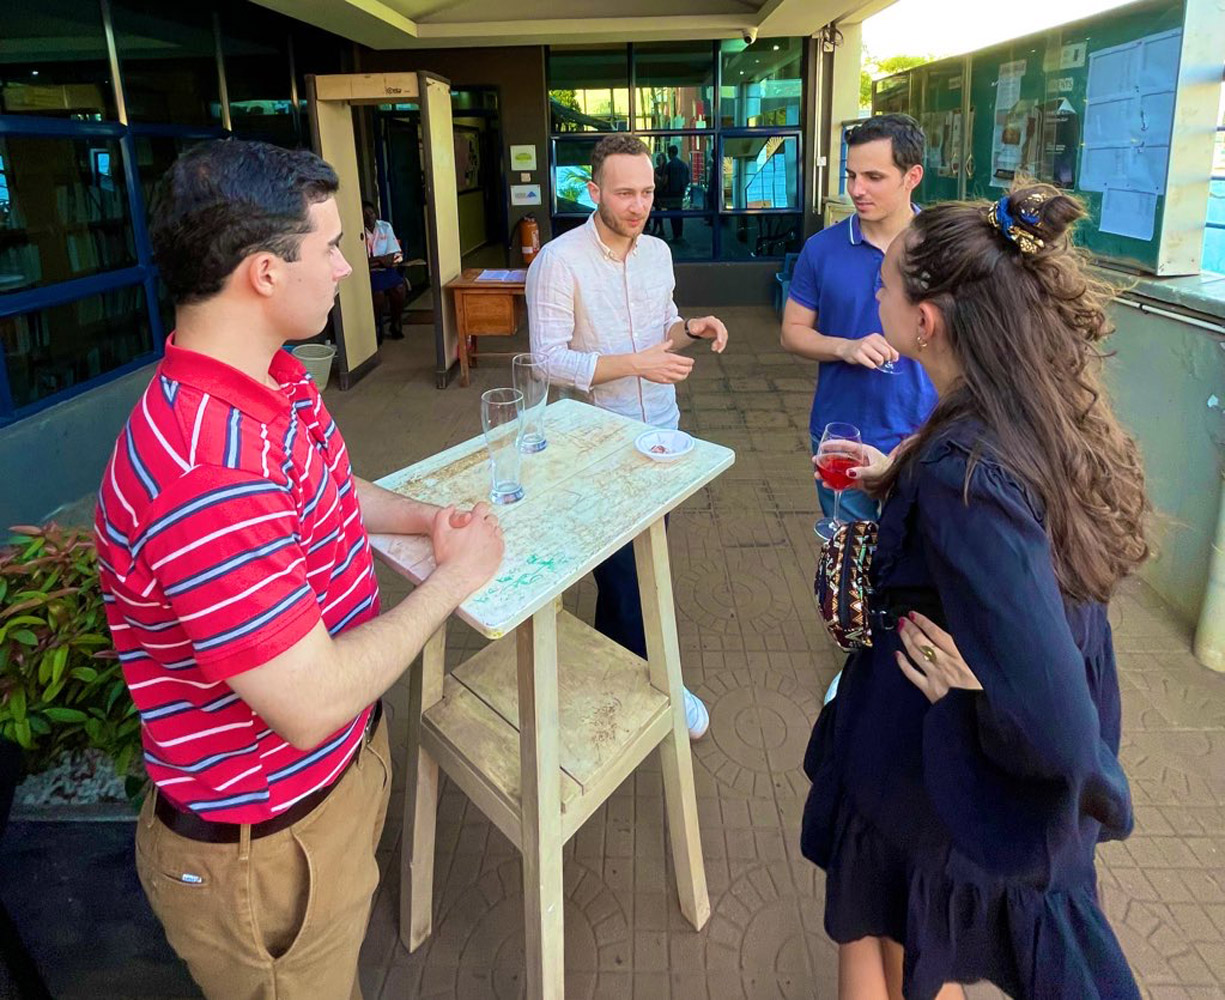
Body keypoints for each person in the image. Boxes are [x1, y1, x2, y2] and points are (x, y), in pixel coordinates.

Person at [94, 140, 504, 1000]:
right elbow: (311, 701)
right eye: (330, 247)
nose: (349, 268)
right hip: (265, 848)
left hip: (329, 785)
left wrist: (424, 518)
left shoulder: (274, 380)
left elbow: (329, 489)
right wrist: (453, 578)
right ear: (264, 274)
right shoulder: (204, 469)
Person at [800, 182, 1147, 999]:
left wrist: (979, 693)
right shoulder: (1019, 407)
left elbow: (1059, 722)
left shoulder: (967, 476)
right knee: (912, 941)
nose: (875, 295)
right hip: (914, 748)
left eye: (885, 285)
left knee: (878, 930)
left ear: (925, 322)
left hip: (921, 763)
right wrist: (900, 474)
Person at [526, 133, 728, 741]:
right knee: (623, 574)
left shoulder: (657, 253)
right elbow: (547, 361)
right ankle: (658, 683)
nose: (639, 204)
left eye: (646, 191)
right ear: (594, 191)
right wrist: (636, 362)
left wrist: (688, 327)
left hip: (661, 435)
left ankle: (612, 668)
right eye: (624, 193)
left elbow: (662, 327)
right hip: (593, 443)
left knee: (641, 562)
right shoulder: (558, 262)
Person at [781, 114, 936, 529]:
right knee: (847, 560)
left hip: (925, 435)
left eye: (873, 176)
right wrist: (844, 347)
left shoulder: (943, 248)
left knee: (914, 568)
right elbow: (792, 333)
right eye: (851, 175)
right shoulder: (821, 248)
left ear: (912, 176)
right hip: (843, 435)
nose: (856, 189)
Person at [362, 199, 406, 341]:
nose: (370, 217)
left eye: (372, 213)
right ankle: (376, 327)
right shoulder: (358, 232)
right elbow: (362, 262)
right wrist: (381, 260)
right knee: (378, 295)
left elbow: (394, 255)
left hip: (386, 270)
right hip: (370, 273)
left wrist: (377, 260)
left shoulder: (385, 227)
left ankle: (395, 323)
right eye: (366, 214)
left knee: (399, 288)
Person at [661, 144, 690, 243]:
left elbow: (665, 180)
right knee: (679, 213)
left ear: (670, 153)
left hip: (671, 194)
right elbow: (687, 179)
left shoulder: (669, 166)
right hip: (680, 193)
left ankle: (675, 235)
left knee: (672, 214)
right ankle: (680, 235)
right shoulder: (683, 165)